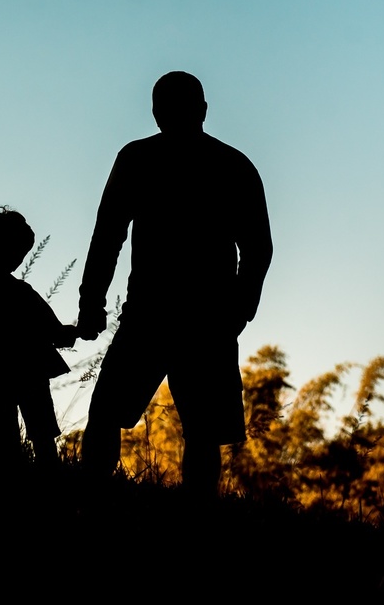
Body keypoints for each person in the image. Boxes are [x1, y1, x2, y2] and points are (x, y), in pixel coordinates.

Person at [76, 71, 272, 496]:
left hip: (171, 315)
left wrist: (91, 302)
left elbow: (108, 235)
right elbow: (258, 249)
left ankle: (92, 504)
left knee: (125, 416)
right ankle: (111, 505)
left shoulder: (142, 159)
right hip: (184, 317)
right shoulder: (229, 164)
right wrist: (239, 311)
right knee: (194, 429)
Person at [0, 208, 78, 465]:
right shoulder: (21, 292)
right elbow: (56, 332)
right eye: (18, 252)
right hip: (30, 372)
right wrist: (73, 332)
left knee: (3, 440)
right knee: (41, 437)